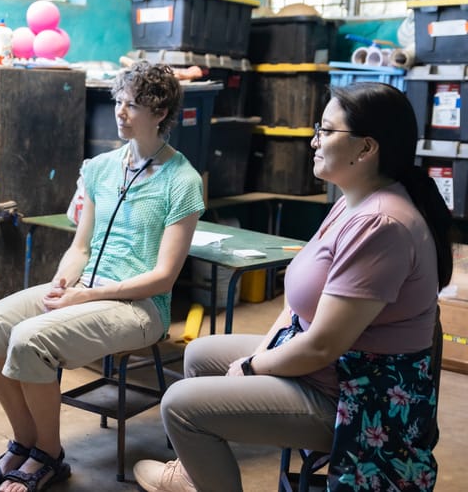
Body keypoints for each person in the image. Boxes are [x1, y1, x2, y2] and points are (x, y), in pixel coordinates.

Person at [133, 81, 452, 492]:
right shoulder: (352, 199)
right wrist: (263, 354)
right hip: (329, 367)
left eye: (326, 131)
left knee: (179, 406)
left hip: (356, 396)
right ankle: (193, 474)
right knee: (199, 353)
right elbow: (296, 309)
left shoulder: (381, 224)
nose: (314, 141)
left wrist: (251, 366)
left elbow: (322, 346)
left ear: (366, 148)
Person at [0, 61, 205, 492]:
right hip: (87, 289)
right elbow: (80, 246)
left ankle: (48, 455)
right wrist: (64, 281)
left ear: (161, 111)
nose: (120, 111)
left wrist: (86, 297)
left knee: (29, 339)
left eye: (132, 104)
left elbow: (164, 278)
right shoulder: (100, 168)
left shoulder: (182, 181)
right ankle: (25, 440)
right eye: (118, 100)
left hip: (140, 307)